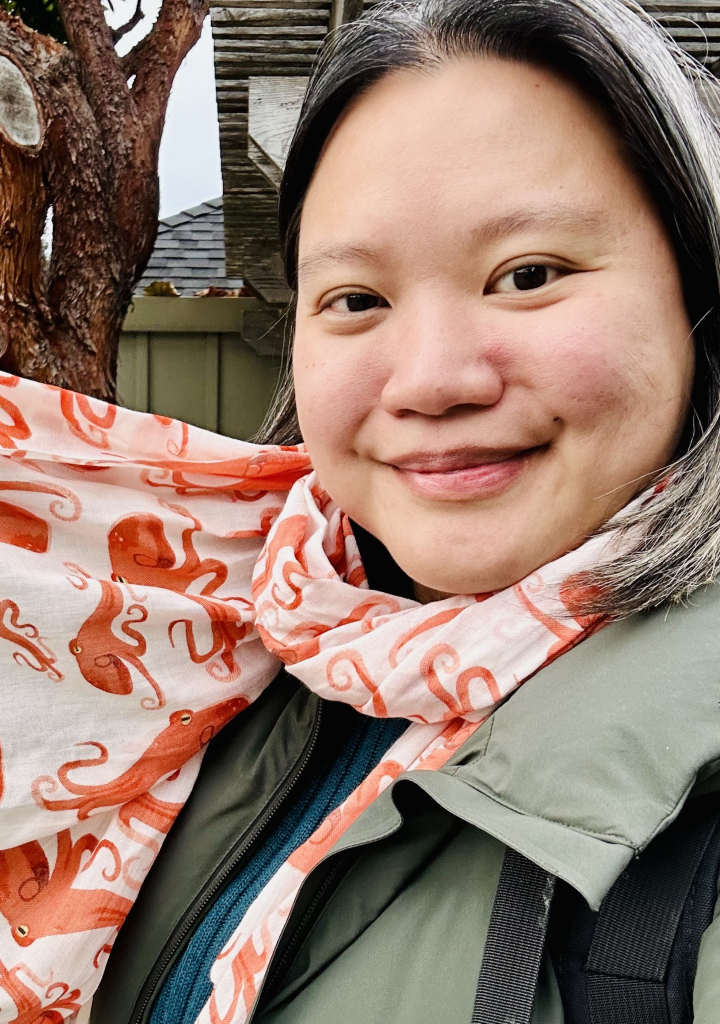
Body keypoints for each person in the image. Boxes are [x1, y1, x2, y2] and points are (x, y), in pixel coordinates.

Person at [89, 1, 720, 1021]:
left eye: (528, 275)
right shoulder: (198, 654)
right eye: (355, 299)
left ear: (696, 295)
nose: (429, 381)